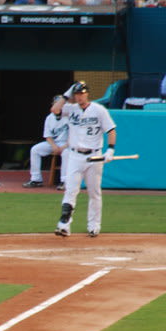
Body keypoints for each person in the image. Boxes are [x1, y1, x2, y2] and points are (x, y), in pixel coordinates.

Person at [52, 81, 116, 237]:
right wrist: (67, 94)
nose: (79, 97)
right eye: (77, 94)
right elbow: (55, 109)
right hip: (75, 155)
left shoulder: (99, 110)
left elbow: (111, 130)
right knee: (71, 190)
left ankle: (94, 225)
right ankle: (64, 225)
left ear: (87, 94)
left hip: (94, 155)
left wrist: (110, 149)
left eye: (82, 93)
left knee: (94, 192)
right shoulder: (71, 109)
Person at [23, 94, 68, 188]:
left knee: (66, 153)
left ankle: (64, 181)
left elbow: (75, 137)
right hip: (53, 143)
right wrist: (54, 146)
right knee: (35, 150)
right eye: (55, 104)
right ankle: (36, 179)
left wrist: (63, 147)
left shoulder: (70, 116)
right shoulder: (49, 117)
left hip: (67, 144)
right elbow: (48, 136)